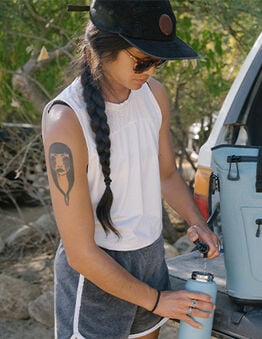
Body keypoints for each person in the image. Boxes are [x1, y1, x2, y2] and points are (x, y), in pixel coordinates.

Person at [41, 1, 220, 338]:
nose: (151, 72)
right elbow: (80, 253)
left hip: (149, 256)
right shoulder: (66, 120)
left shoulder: (154, 95)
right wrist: (156, 300)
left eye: (159, 61)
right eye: (142, 62)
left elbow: (166, 174)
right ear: (104, 48)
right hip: (97, 272)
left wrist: (197, 222)